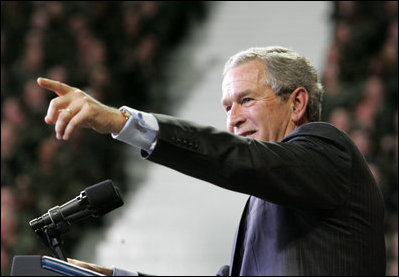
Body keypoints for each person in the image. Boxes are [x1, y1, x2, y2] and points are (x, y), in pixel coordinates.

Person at [37, 46, 386, 276]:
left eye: (245, 100)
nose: (232, 119)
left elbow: (237, 158)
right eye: (227, 108)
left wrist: (122, 122)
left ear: (296, 104)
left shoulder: (329, 151)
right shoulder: (267, 197)